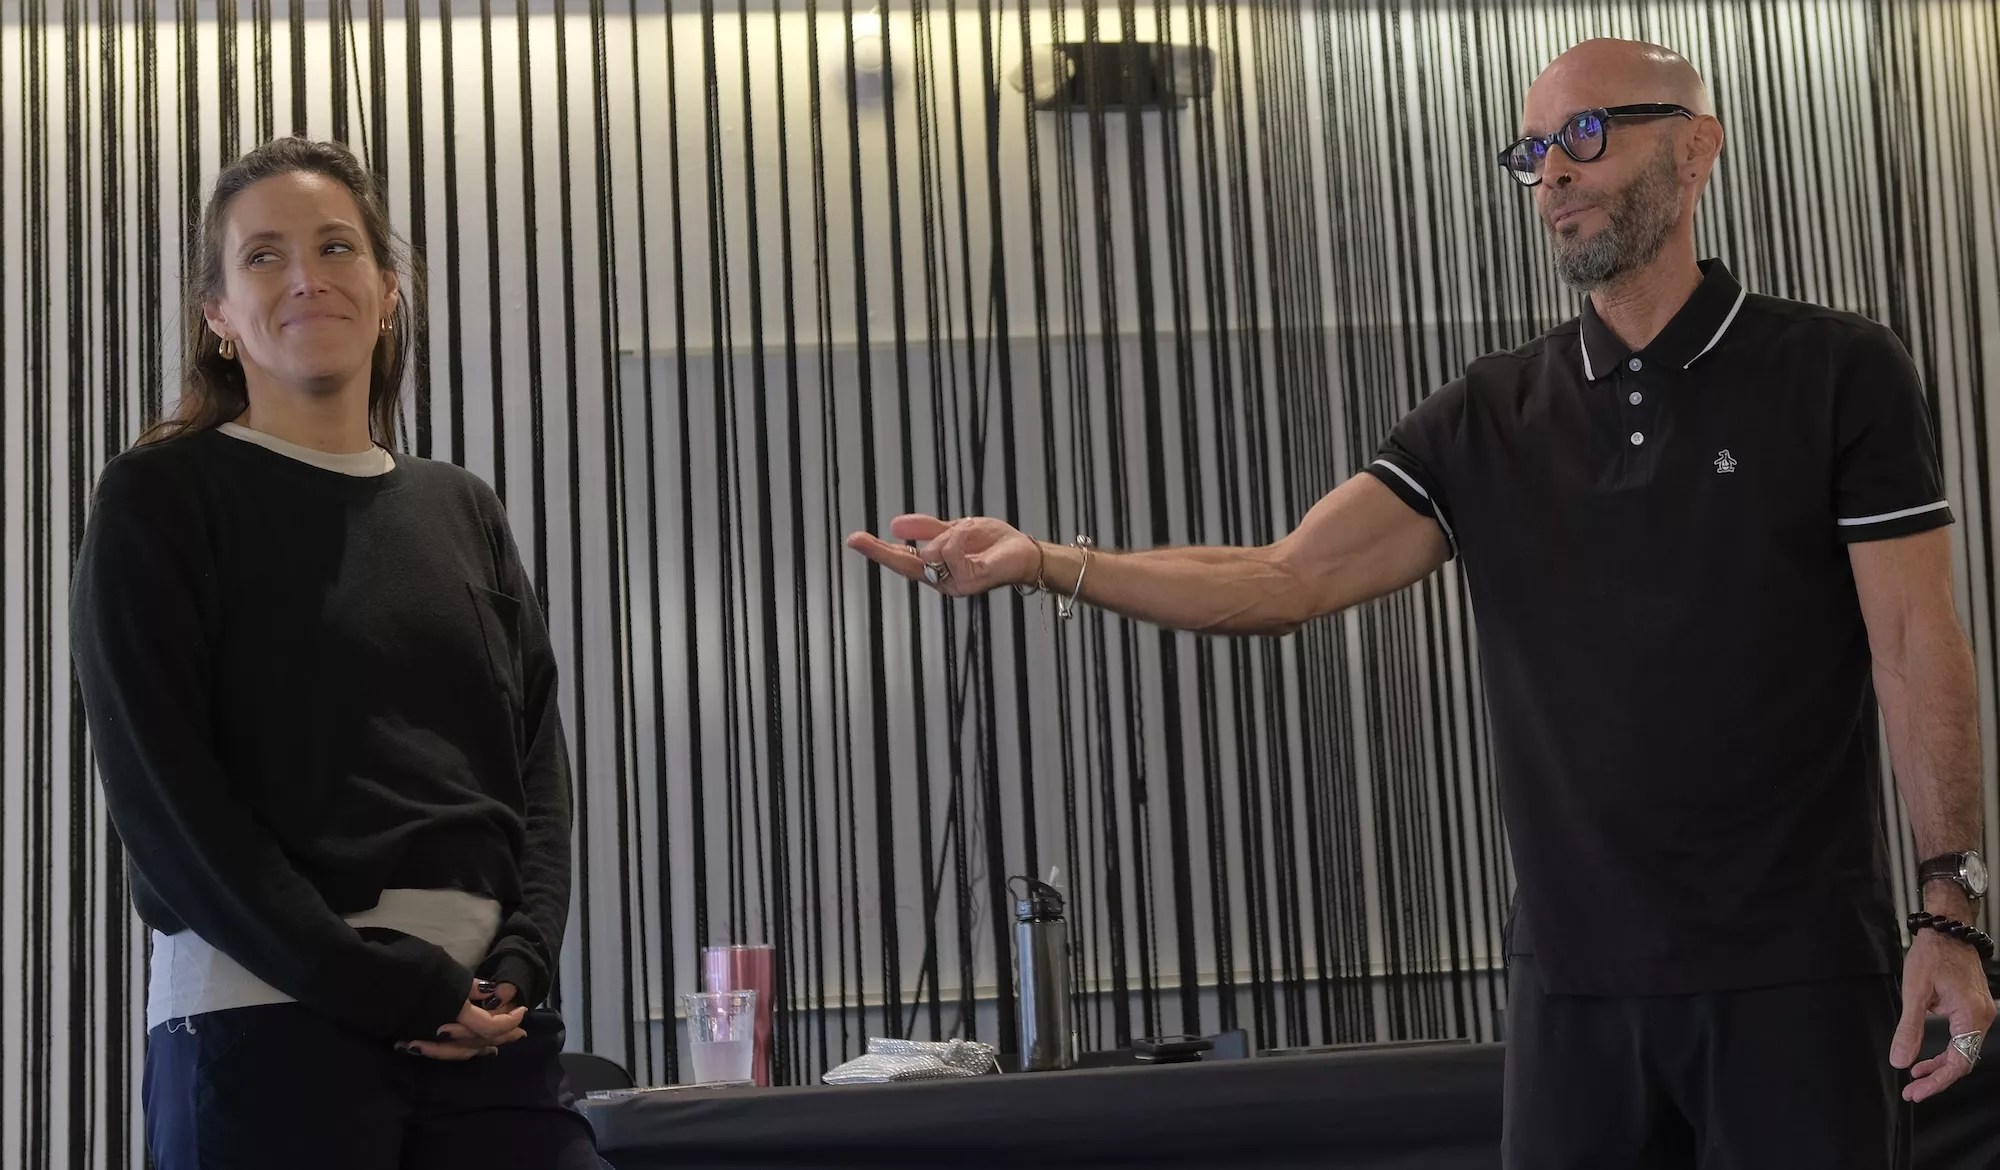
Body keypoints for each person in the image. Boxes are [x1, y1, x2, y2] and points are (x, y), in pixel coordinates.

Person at [847, 38, 1994, 1168]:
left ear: (1695, 150)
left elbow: (1912, 644)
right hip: (1572, 987)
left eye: (1584, 134)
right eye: (1530, 150)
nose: (1551, 172)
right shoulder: (1487, 417)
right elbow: (1281, 577)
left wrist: (1948, 910)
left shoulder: (1836, 370)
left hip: (1797, 975)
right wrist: (1044, 560)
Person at [71, 137, 599, 1169]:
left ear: (388, 291)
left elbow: (536, 765)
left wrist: (527, 956)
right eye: (263, 256)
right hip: (263, 1022)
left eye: (336, 246)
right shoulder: (162, 498)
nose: (306, 277)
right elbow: (167, 800)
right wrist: (369, 980)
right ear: (218, 315)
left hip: (486, 1028)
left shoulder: (463, 508)